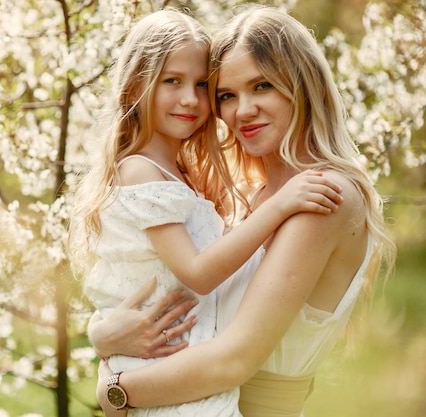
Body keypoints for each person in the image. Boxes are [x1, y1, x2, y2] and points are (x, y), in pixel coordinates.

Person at [89, 5, 396, 417]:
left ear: (302, 85)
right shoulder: (247, 198)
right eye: (227, 96)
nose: (242, 110)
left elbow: (232, 360)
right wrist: (103, 336)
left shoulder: (324, 197)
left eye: (263, 86)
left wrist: (113, 389)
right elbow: (182, 297)